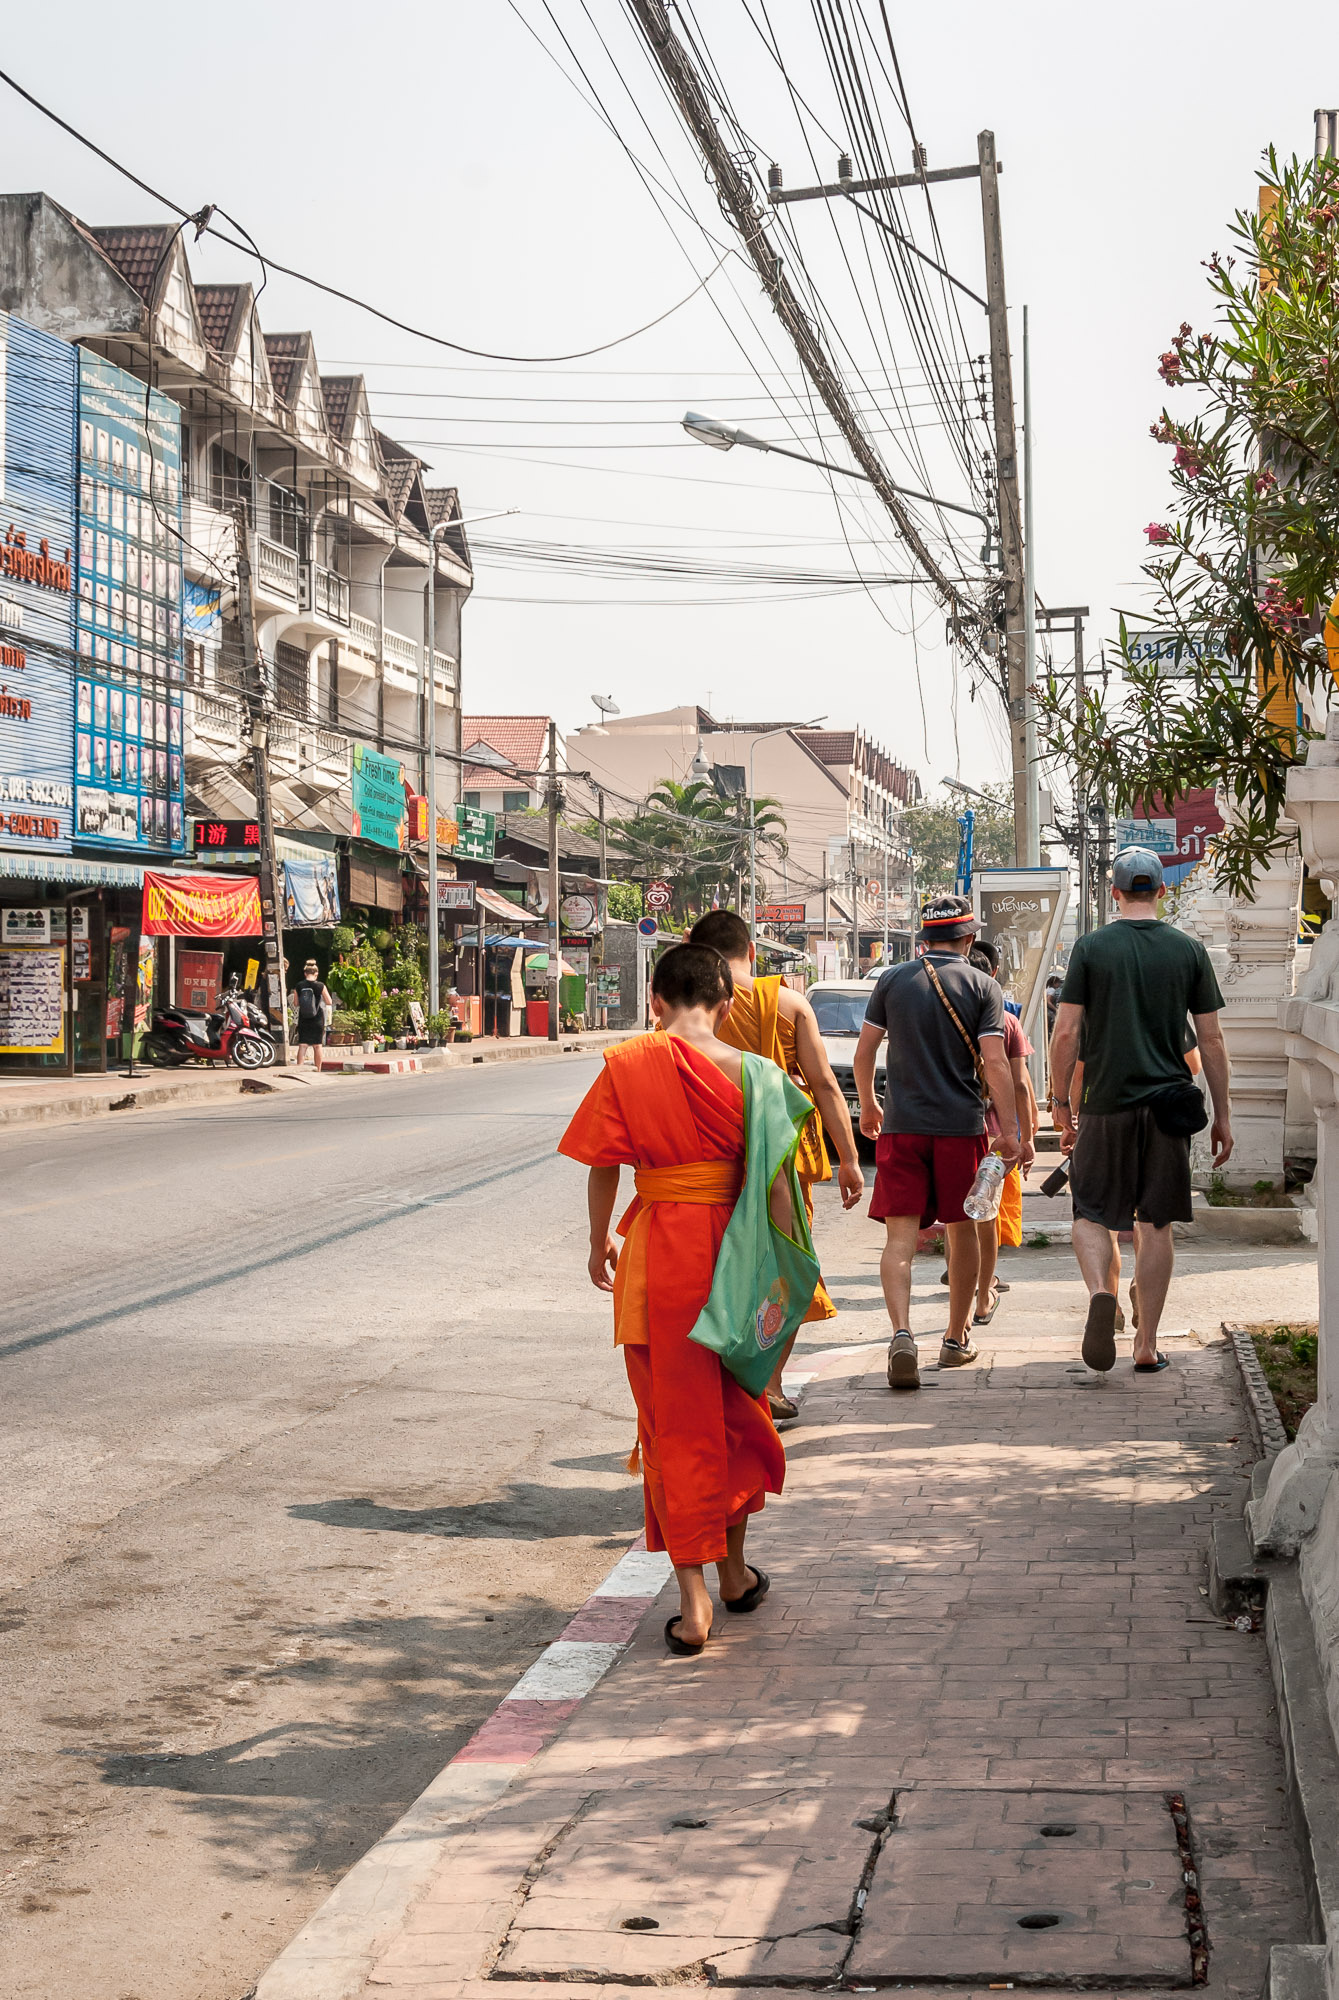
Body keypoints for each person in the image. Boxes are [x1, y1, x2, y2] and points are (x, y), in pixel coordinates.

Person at [559, 942, 807, 1655]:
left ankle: (697, 1597)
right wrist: (781, 1285)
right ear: (727, 1006)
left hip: (659, 1261)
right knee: (735, 1417)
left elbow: (604, 1163)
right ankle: (731, 1575)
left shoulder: (630, 1062)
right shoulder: (759, 1074)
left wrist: (598, 1238)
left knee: (673, 1425)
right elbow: (777, 1191)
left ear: (655, 1001)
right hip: (736, 1262)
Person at [1048, 846, 1232, 1373]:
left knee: (1090, 1211)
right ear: (1162, 891)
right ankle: (1147, 1344)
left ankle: (1097, 1296)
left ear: (1115, 892)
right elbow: (1212, 1041)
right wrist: (1222, 1115)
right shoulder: (1188, 950)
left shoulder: (1090, 948)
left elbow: (1066, 1031)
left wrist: (1062, 1102)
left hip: (1105, 1105)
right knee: (1157, 1225)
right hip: (1169, 1109)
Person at [688, 910, 865, 1421]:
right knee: (779, 1269)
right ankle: (771, 1384)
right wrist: (849, 1158)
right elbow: (826, 1085)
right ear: (750, 949)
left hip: (709, 1156)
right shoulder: (788, 1003)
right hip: (777, 1159)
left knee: (720, 1269)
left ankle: (720, 1383)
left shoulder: (687, 1010)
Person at [853, 894, 1022, 1390]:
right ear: (968, 939)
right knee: (960, 1230)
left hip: (902, 1125)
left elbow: (865, 1053)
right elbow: (995, 1064)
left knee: (899, 1237)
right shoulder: (983, 984)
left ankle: (902, 1332)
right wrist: (1009, 1133)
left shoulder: (892, 980)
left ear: (923, 937)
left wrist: (868, 1103)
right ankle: (954, 1338)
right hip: (960, 1127)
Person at [944, 944, 1036, 1323]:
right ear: (992, 976)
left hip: (956, 1128)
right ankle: (983, 1298)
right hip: (997, 1138)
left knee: (956, 1218)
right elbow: (1021, 1085)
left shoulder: (946, 1013)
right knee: (986, 1218)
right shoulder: (1007, 1022)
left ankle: (959, 1304)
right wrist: (1026, 1136)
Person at [289, 958, 333, 1073]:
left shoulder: (299, 985)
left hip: (304, 1018)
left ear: (305, 973)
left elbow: (296, 1003)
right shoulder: (320, 985)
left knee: (303, 1045)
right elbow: (329, 1002)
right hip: (317, 1018)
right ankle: (318, 1070)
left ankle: (299, 1070)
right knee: (317, 1046)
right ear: (316, 973)